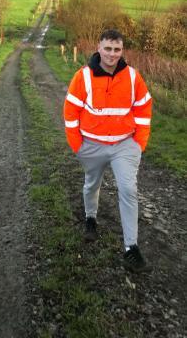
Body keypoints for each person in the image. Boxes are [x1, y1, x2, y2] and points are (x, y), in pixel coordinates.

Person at [63, 30, 152, 273]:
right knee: (92, 184)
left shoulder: (133, 77)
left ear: (122, 51)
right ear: (98, 48)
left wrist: (138, 144)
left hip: (125, 145)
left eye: (117, 49)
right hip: (91, 145)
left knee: (128, 189)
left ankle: (131, 248)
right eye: (108, 49)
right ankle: (91, 218)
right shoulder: (82, 77)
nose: (112, 54)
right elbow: (70, 113)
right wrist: (78, 146)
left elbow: (144, 110)